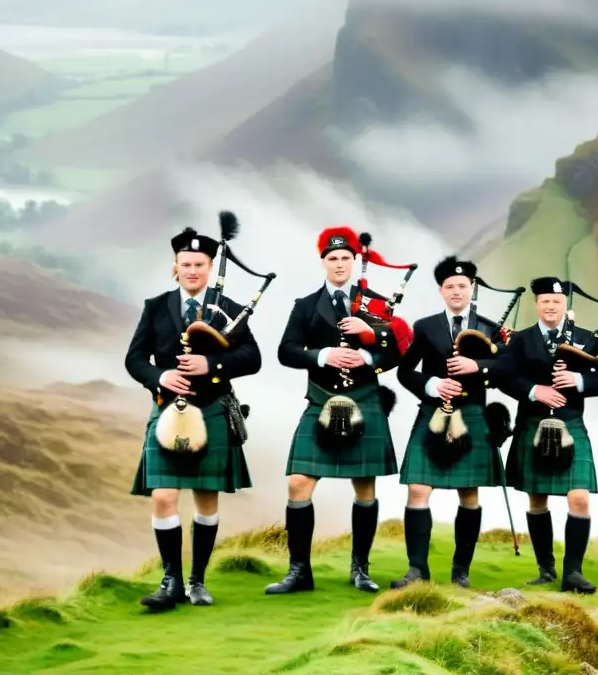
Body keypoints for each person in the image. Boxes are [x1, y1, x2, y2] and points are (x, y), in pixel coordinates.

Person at [264, 226, 411, 595]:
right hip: (320, 398)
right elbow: (286, 351)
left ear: (355, 261)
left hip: (364, 398)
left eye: (346, 258)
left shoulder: (377, 304)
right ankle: (299, 571)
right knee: (299, 482)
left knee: (364, 486)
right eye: (333, 258)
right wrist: (324, 355)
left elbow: (397, 351)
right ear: (323, 263)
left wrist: (366, 354)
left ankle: (360, 568)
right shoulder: (305, 306)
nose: (340, 264)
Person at [125, 225, 262, 610]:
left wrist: (211, 364)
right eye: (185, 264)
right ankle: (171, 579)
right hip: (167, 410)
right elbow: (134, 359)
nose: (192, 271)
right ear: (175, 266)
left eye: (199, 264)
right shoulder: (156, 307)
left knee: (206, 499)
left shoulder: (230, 310)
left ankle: (197, 581)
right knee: (164, 496)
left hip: (213, 409)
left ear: (209, 266)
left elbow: (252, 359)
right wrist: (159, 375)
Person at [391, 255, 511, 589]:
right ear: (441, 290)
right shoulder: (426, 327)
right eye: (450, 286)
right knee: (418, 488)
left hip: (471, 413)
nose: (456, 291)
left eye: (462, 285)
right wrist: (432, 385)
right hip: (434, 412)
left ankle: (461, 571)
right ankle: (417, 570)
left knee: (469, 492)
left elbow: (507, 370)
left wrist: (479, 367)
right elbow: (405, 371)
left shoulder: (490, 329)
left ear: (471, 288)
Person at [492, 277, 598, 594]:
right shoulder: (520, 340)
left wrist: (578, 381)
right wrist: (536, 391)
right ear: (537, 304)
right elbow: (504, 376)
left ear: (565, 306)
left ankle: (572, 572)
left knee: (579, 498)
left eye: (557, 302)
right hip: (532, 421)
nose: (551, 306)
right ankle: (545, 569)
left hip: (571, 423)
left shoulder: (586, 340)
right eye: (546, 301)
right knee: (537, 498)